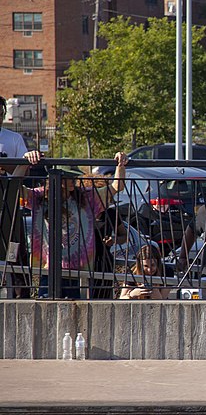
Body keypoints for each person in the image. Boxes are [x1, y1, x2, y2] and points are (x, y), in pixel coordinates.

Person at [12, 150, 128, 299]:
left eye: (74, 176)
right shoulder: (39, 197)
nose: (73, 180)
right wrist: (25, 161)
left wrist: (120, 164)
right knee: (47, 308)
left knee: (78, 312)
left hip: (78, 271)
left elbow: (117, 186)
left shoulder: (86, 197)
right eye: (69, 177)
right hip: (49, 268)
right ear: (57, 178)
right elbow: (14, 186)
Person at [0, 96, 31, 298]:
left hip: (8, 201)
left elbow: (24, 170)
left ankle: (20, 293)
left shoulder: (13, 138)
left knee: (14, 249)